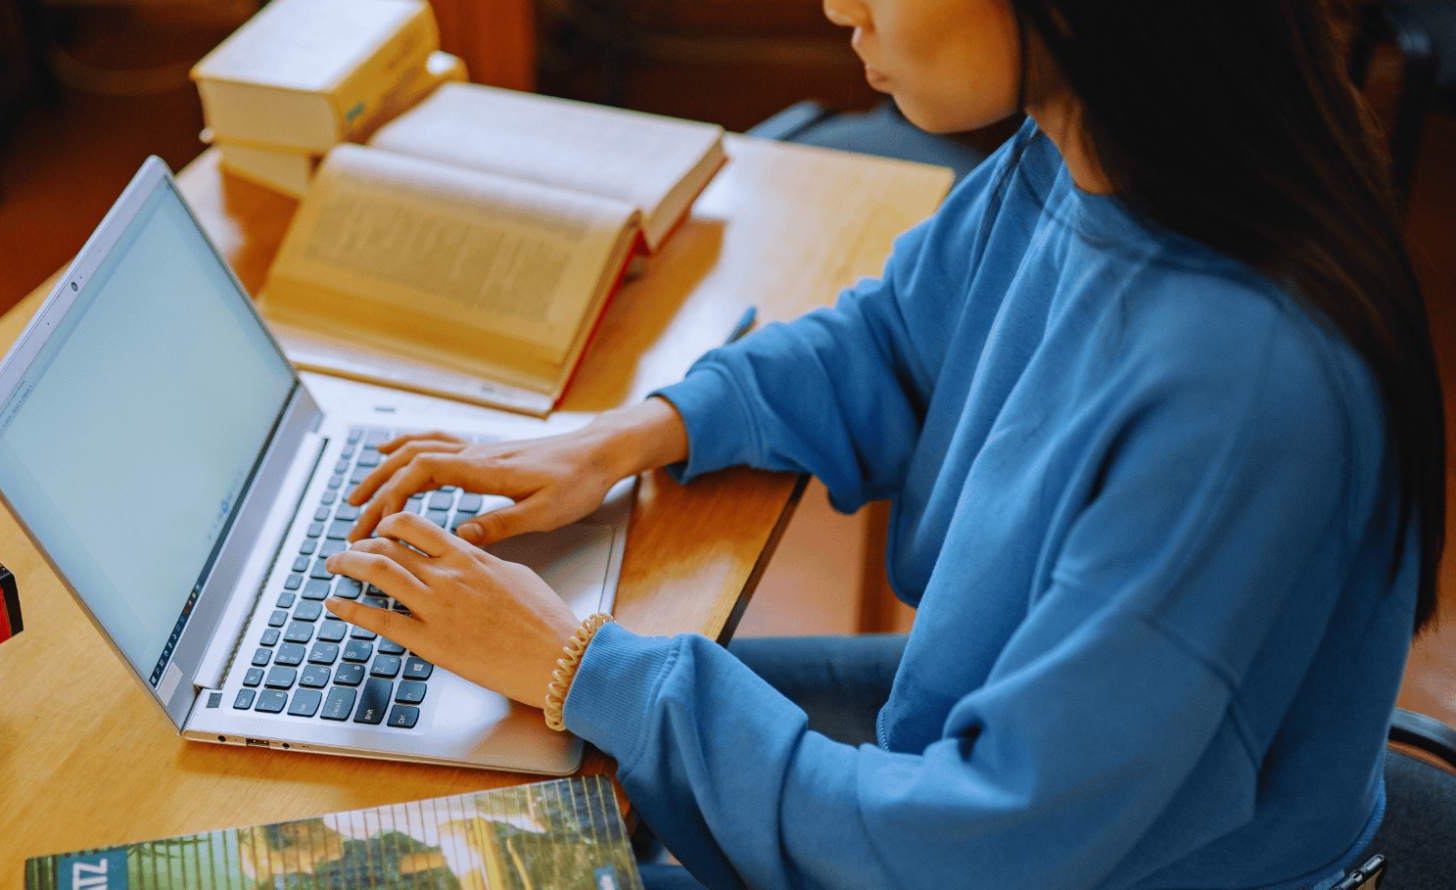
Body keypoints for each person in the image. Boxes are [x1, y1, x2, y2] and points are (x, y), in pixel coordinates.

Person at [323, 0, 1448, 887]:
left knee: (454, 820)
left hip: (1001, 844)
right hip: (978, 783)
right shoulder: (1083, 156)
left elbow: (979, 847)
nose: (835, 6)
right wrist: (629, 435)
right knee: (487, 758)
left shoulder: (1239, 393)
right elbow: (896, 340)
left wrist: (576, 666)